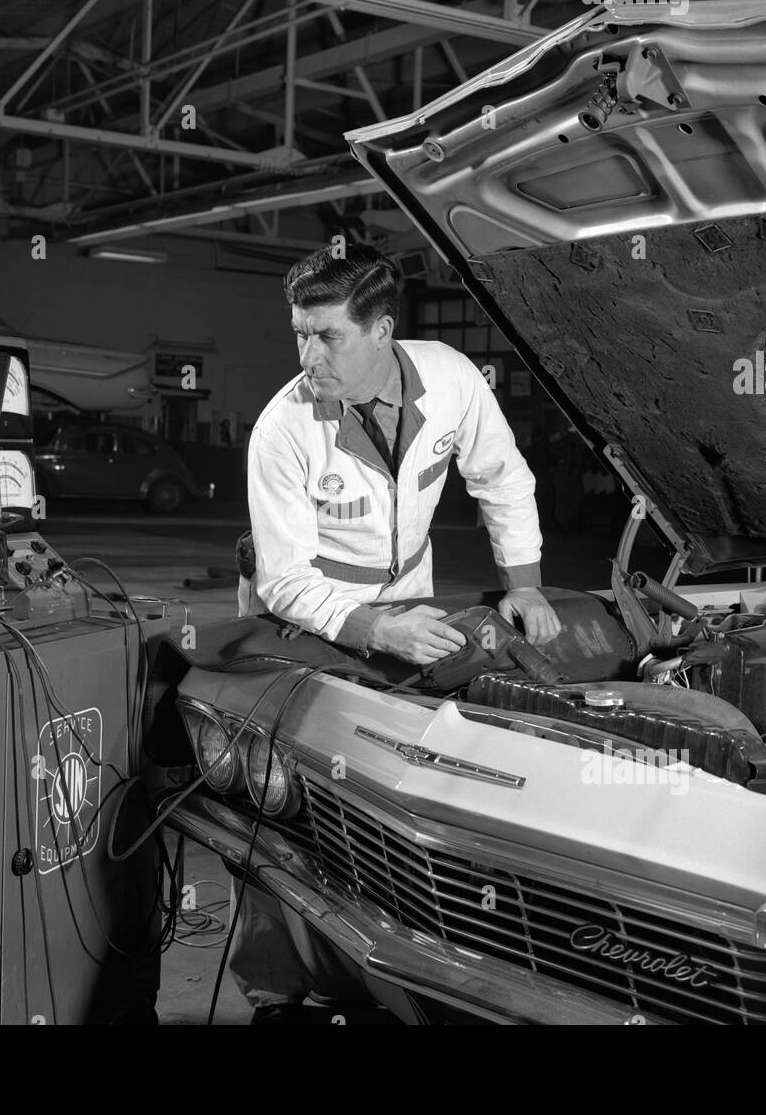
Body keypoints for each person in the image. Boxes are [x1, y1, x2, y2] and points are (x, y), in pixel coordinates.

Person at [230, 243, 562, 1023]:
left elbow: (502, 476)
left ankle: (407, 967)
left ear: (382, 332)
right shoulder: (282, 428)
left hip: (407, 596)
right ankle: (275, 992)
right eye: (299, 335)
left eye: (327, 336)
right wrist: (375, 628)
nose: (308, 356)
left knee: (402, 781)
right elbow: (281, 577)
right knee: (278, 796)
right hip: (301, 611)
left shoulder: (450, 380)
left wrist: (527, 586)